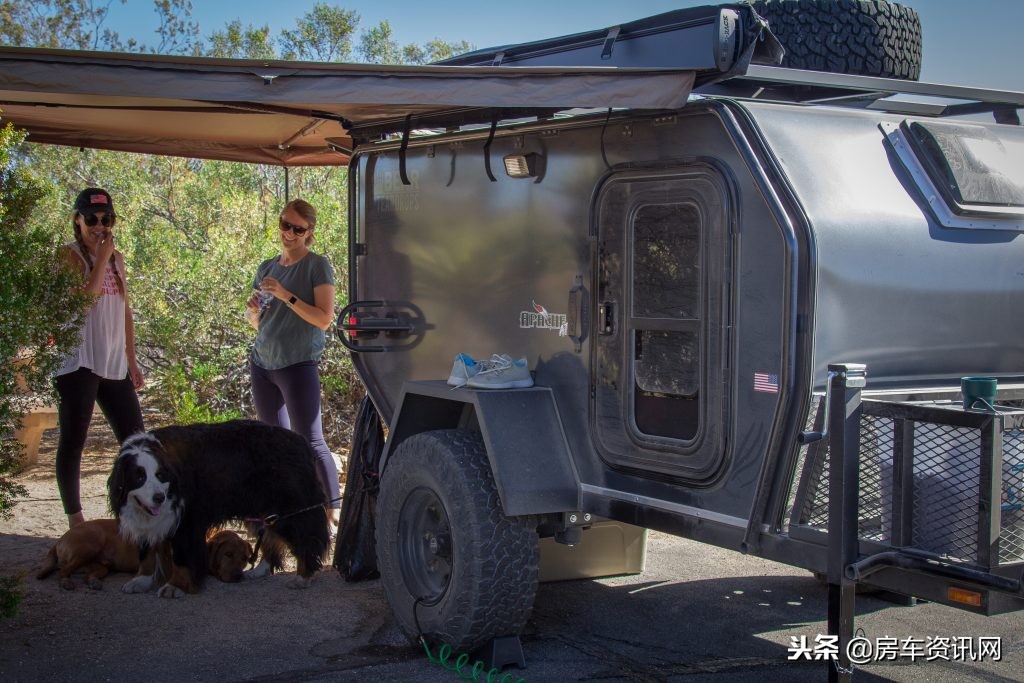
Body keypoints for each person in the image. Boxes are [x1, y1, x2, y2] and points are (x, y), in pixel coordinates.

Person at [246, 199, 340, 528]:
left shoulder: (316, 265)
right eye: (285, 224)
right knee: (274, 441)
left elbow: (324, 319)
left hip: (298, 363)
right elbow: (258, 323)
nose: (288, 233)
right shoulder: (267, 267)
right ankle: (284, 511)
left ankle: (334, 513)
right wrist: (254, 308)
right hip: (263, 362)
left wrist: (287, 296)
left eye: (297, 229)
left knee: (309, 439)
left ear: (309, 232)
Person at [54, 188, 145, 529]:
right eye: (91, 219)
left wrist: (132, 359)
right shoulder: (67, 256)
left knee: (136, 438)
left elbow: (124, 310)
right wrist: (102, 260)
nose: (99, 226)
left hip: (112, 360)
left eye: (106, 219)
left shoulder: (117, 258)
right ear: (77, 220)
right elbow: (83, 302)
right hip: (79, 359)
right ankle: (75, 521)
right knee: (74, 438)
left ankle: (133, 512)